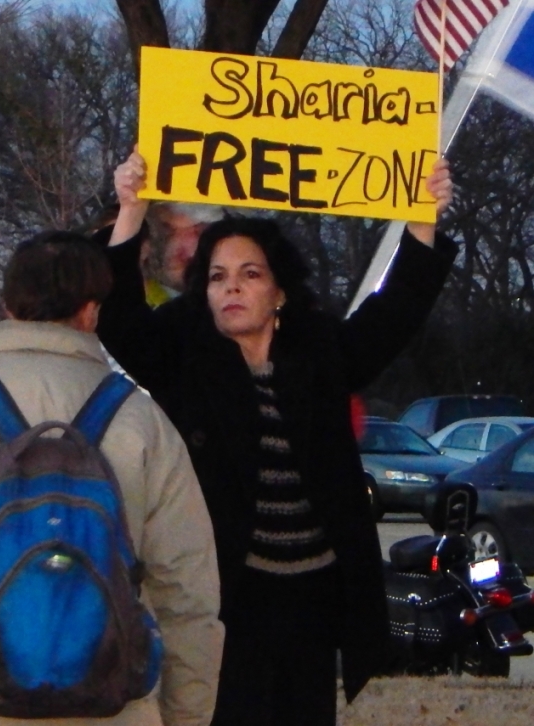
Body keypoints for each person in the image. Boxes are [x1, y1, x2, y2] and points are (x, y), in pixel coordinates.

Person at [96, 149, 456, 726]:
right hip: (222, 602)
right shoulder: (182, 358)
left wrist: (422, 215)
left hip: (313, 601)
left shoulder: (320, 354)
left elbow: (395, 312)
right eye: (216, 277)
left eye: (249, 274)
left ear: (279, 291)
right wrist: (131, 210)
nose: (231, 288)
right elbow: (117, 316)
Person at [0, 231, 224, 726]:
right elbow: (188, 592)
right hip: (113, 706)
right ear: (92, 312)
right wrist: (186, 715)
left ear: (7, 305)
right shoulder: (140, 417)